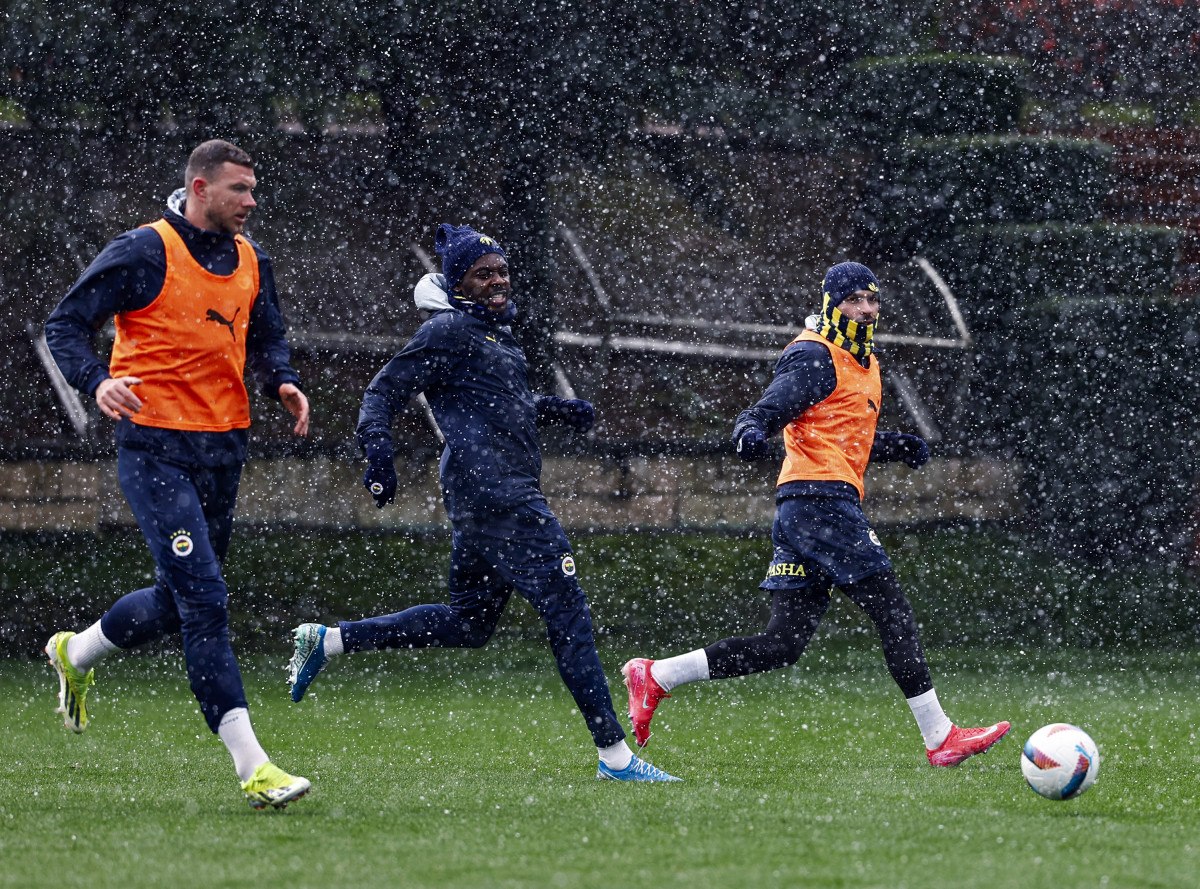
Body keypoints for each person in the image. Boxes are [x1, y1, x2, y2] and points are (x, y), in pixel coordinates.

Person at [286, 223, 679, 783]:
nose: (498, 282)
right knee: (568, 613)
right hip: (501, 497)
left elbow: (493, 404)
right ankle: (615, 757)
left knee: (468, 624)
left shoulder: (492, 332)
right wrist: (379, 457)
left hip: (482, 496)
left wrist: (552, 409)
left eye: (501, 271)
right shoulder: (449, 329)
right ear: (458, 283)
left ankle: (329, 640)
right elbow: (381, 392)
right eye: (482, 274)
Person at [622, 261, 1011, 766]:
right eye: (855, 300)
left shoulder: (863, 361)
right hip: (821, 505)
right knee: (892, 612)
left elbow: (833, 432)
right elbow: (770, 409)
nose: (867, 310)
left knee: (782, 643)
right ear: (831, 302)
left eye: (873, 301)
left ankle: (656, 675)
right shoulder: (813, 354)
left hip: (807, 507)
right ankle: (940, 737)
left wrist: (891, 445)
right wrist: (749, 429)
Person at [43, 139, 312, 809]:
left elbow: (268, 332)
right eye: (239, 190)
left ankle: (74, 654)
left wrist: (282, 380)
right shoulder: (142, 249)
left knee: (178, 599)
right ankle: (254, 765)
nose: (251, 202)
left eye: (253, 190)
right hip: (154, 449)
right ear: (199, 189)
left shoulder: (253, 259)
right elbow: (65, 325)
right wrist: (96, 381)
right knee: (206, 601)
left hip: (223, 449)